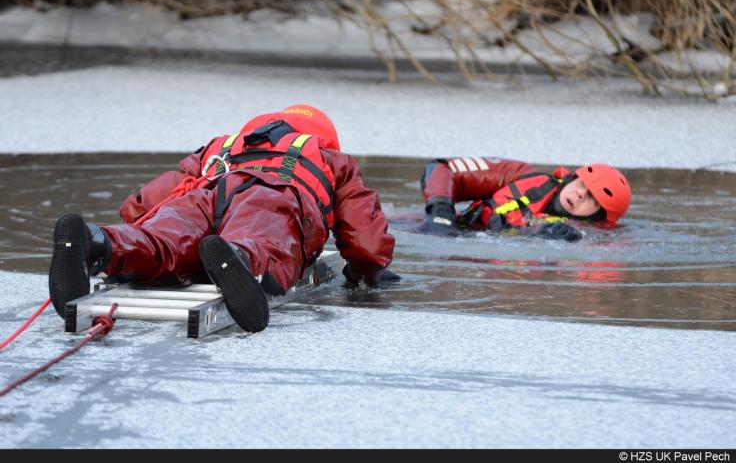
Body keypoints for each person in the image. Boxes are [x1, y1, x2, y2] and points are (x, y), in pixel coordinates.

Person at [49, 105, 397, 333]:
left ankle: (98, 243)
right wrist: (364, 273)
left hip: (203, 193)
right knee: (260, 238)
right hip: (273, 194)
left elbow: (142, 207)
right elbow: (366, 241)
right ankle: (240, 260)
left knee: (167, 238)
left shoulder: (221, 147)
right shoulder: (329, 158)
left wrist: (132, 231)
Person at [419, 156, 631, 241]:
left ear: (600, 217)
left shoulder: (580, 236)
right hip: (447, 227)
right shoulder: (521, 174)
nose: (581, 194)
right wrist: (440, 212)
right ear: (571, 178)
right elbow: (442, 167)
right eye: (582, 184)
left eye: (592, 199)